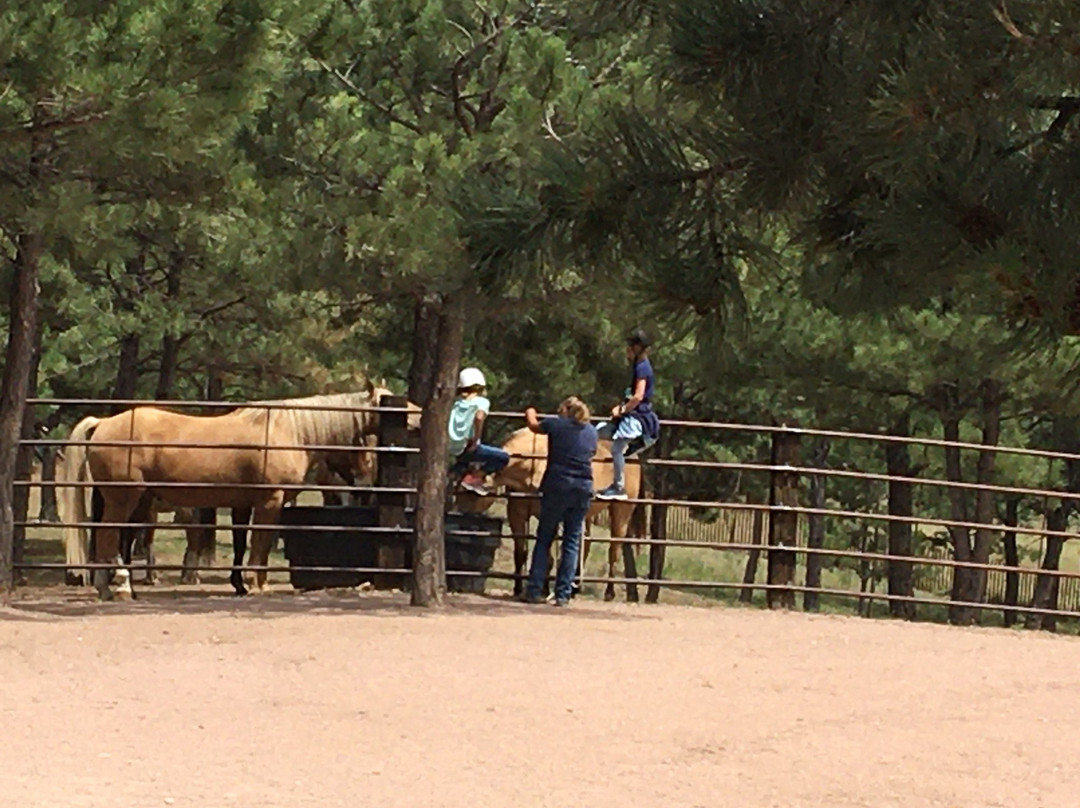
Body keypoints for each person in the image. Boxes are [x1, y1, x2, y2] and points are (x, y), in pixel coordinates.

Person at [520, 396, 598, 607]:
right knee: (571, 541)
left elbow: (533, 425)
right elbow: (592, 452)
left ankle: (534, 589)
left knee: (545, 537)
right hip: (582, 488)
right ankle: (563, 594)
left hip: (557, 485)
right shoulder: (591, 431)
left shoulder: (556, 424)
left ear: (565, 410)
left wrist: (530, 411)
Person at [595, 328, 660, 500]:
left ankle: (618, 487)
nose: (627, 350)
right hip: (630, 416)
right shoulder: (640, 366)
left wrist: (622, 410)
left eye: (630, 347)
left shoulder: (642, 368)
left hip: (636, 418)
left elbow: (638, 396)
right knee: (596, 432)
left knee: (617, 448)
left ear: (638, 348)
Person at [448, 367, 509, 495]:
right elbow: (479, 417)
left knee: (464, 460)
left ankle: (453, 475)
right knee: (503, 458)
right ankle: (474, 478)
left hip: (451, 445)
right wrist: (476, 439)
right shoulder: (481, 402)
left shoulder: (455, 402)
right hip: (467, 445)